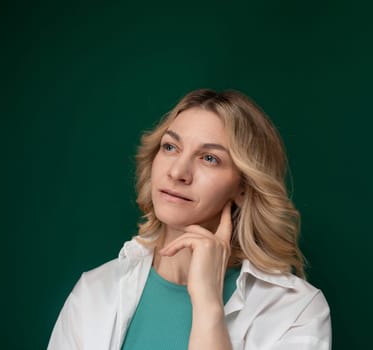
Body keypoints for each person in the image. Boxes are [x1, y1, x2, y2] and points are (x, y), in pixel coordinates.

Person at [48, 89, 331, 350]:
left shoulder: (296, 309)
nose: (178, 172)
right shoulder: (95, 291)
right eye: (170, 147)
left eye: (209, 158)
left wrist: (208, 303)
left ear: (243, 187)